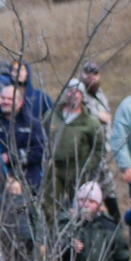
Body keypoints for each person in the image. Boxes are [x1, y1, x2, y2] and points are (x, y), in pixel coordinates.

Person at [45, 83, 109, 215]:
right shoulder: (52, 116)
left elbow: (99, 148)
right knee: (49, 206)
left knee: (81, 208)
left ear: (82, 96)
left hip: (79, 172)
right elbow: (40, 137)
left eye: (77, 92)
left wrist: (89, 166)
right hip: (55, 170)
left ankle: (79, 235)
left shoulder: (90, 122)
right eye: (70, 91)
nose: (73, 95)